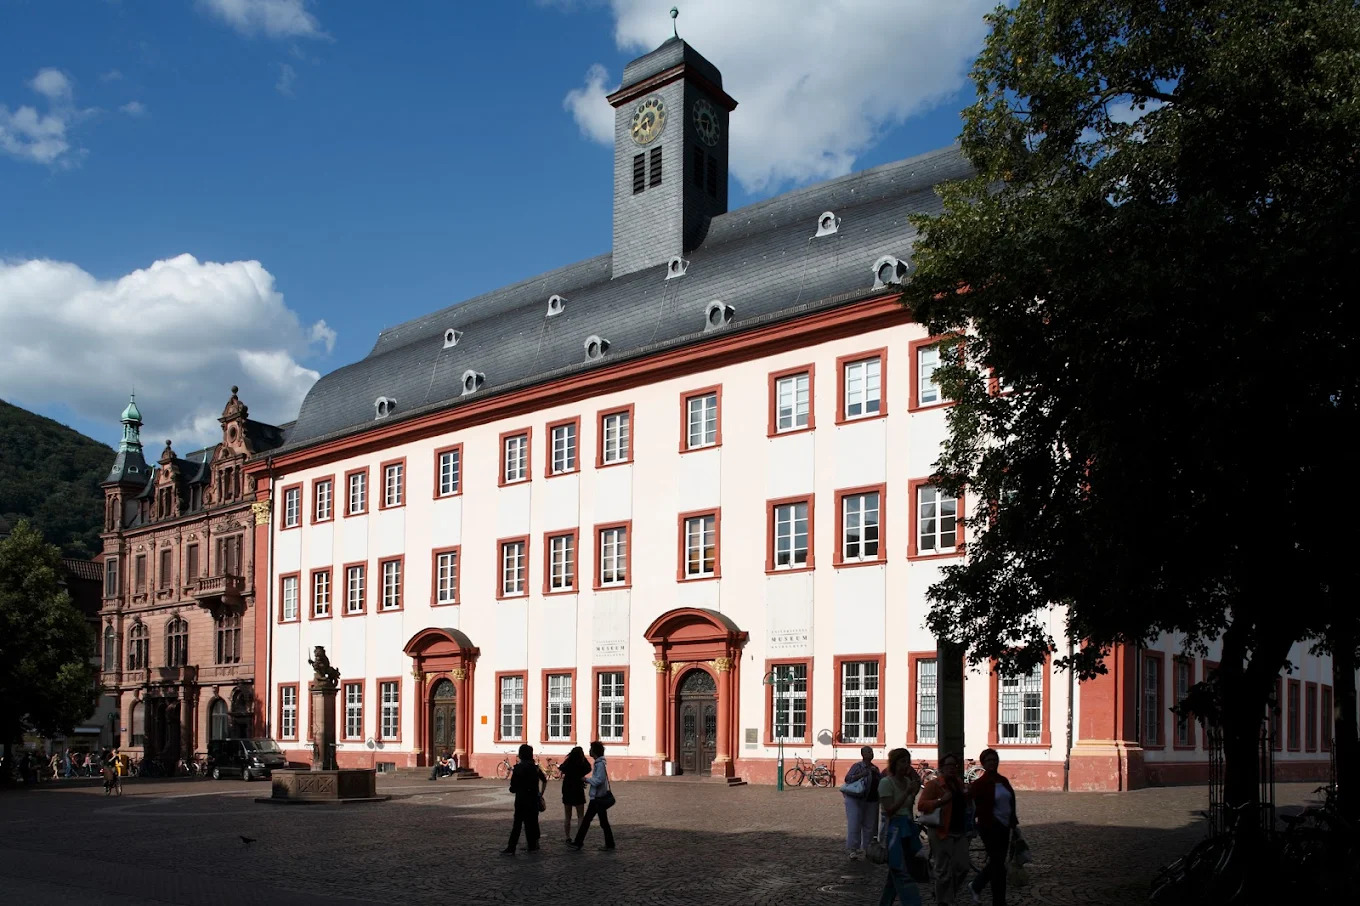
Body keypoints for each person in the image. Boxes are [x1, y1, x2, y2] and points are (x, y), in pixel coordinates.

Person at [966, 748, 1019, 906]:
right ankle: (998, 900)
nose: (992, 763)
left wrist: (1014, 825)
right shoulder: (980, 784)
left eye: (994, 760)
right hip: (989, 827)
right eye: (988, 760)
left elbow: (1011, 803)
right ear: (983, 763)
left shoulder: (1003, 781)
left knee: (998, 863)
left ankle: (977, 885)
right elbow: (969, 802)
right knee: (998, 865)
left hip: (1005, 826)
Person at [918, 752, 970, 905]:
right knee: (942, 871)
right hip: (941, 831)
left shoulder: (959, 783)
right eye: (948, 765)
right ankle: (943, 901)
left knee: (963, 867)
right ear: (942, 768)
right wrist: (940, 801)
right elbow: (921, 805)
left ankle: (947, 895)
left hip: (959, 831)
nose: (952, 769)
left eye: (954, 765)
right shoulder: (934, 785)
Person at [876, 747, 923, 906]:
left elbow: (909, 808)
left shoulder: (908, 781)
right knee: (901, 872)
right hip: (894, 829)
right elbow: (889, 810)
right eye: (903, 761)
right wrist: (906, 793)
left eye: (908, 762)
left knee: (896, 874)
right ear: (894, 763)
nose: (906, 765)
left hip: (907, 828)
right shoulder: (885, 783)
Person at [568, 740, 615, 851]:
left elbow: (599, 780)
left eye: (591, 749)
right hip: (598, 797)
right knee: (600, 822)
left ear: (595, 752)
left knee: (588, 821)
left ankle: (578, 842)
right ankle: (609, 844)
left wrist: (586, 779)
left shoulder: (600, 764)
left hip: (598, 798)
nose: (589, 751)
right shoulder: (600, 763)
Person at [501, 744, 547, 855]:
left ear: (520, 755)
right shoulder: (535, 768)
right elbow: (544, 780)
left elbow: (513, 787)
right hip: (532, 799)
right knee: (532, 822)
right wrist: (541, 793)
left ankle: (511, 847)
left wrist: (515, 788)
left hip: (521, 799)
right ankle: (532, 845)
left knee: (517, 824)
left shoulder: (518, 768)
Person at [842, 745, 882, 859]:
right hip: (856, 799)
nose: (871, 753)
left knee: (870, 826)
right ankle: (853, 849)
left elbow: (880, 782)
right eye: (868, 752)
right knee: (854, 824)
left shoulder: (875, 768)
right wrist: (862, 774)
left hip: (872, 799)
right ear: (863, 754)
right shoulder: (857, 766)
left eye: (871, 751)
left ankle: (867, 849)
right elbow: (848, 779)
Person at [559, 745, 590, 843]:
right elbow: (589, 768)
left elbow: (561, 768)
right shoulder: (582, 763)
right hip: (578, 788)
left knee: (567, 816)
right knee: (580, 815)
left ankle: (567, 837)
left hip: (567, 788)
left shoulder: (568, 762)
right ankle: (579, 837)